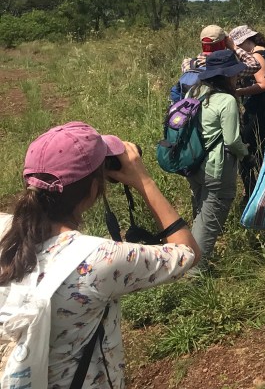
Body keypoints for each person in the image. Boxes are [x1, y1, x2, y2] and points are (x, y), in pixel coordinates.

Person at [0, 122, 199, 389]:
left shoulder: (5, 233)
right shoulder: (99, 259)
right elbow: (187, 252)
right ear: (94, 190)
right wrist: (144, 180)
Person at [188, 49, 250, 272]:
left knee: (200, 214)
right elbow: (232, 140)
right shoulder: (226, 100)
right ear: (226, 75)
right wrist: (246, 153)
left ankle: (188, 262)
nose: (237, 78)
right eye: (234, 74)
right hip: (216, 167)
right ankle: (194, 273)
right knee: (209, 220)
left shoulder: (195, 92)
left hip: (193, 163)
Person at [229, 24, 265, 200]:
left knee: (246, 150)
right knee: (263, 150)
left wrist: (238, 92)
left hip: (259, 110)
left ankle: (252, 194)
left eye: (239, 46)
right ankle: (264, 192)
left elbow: (264, 85)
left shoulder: (257, 56)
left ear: (248, 41)